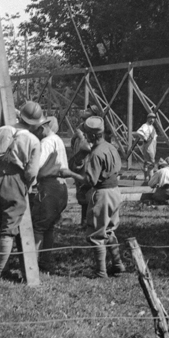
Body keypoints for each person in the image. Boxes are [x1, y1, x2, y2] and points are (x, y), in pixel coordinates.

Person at [0, 101, 45, 281]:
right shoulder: (33, 140)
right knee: (8, 228)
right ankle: (0, 271)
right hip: (16, 180)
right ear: (35, 123)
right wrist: (26, 184)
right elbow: (32, 171)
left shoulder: (3, 130)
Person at [72, 116, 125, 279]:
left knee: (96, 234)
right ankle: (117, 264)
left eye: (87, 134)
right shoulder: (111, 147)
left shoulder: (96, 153)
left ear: (93, 136)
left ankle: (101, 271)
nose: (85, 137)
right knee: (109, 230)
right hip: (115, 192)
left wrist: (70, 174)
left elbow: (90, 180)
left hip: (102, 194)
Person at [33, 117, 78, 271]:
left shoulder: (46, 142)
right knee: (49, 226)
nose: (37, 133)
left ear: (44, 127)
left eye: (38, 129)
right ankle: (45, 262)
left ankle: (33, 263)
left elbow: (36, 165)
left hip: (49, 185)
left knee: (39, 226)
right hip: (61, 186)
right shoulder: (57, 139)